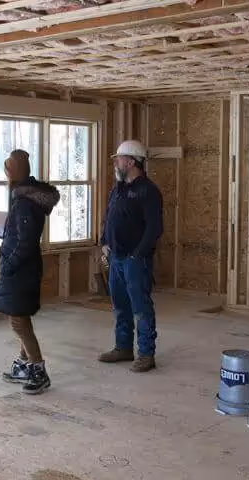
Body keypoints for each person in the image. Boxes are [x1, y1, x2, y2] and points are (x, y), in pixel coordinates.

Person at [0, 150, 60, 395]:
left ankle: (38, 370)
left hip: (21, 270)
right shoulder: (24, 199)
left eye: (7, 168)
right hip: (24, 268)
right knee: (20, 317)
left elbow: (25, 242)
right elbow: (19, 234)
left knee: (18, 321)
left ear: (13, 172)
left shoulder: (23, 202)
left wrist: (8, 264)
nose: (5, 173)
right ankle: (24, 365)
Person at [98, 139, 164, 373]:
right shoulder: (118, 189)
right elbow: (109, 217)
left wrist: (138, 255)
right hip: (116, 256)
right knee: (120, 305)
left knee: (140, 307)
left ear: (131, 161)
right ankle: (123, 347)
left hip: (135, 260)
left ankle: (146, 354)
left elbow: (154, 228)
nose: (115, 162)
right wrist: (104, 243)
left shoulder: (148, 191)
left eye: (119, 158)